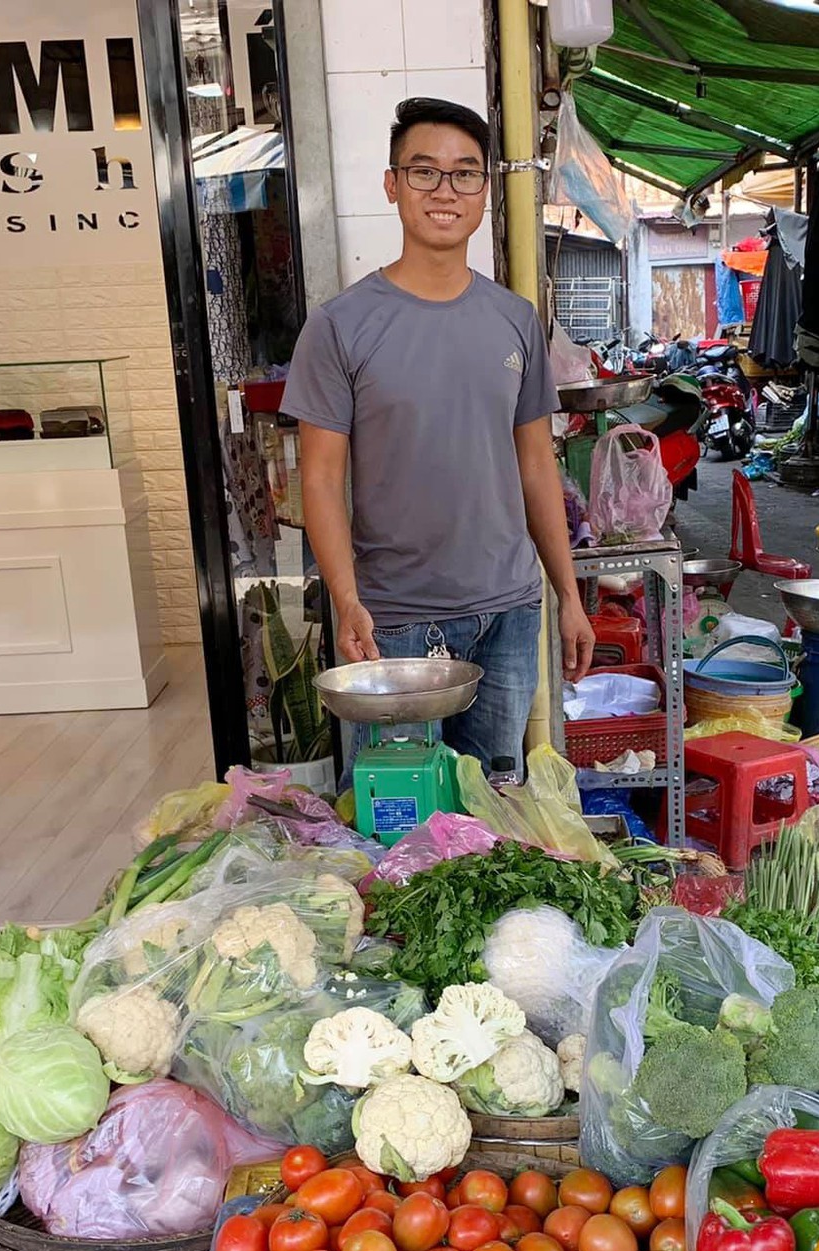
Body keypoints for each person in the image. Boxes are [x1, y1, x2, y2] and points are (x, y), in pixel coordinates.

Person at [281, 97, 593, 770]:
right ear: (392, 185)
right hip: (394, 619)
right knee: (399, 820)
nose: (444, 191)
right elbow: (320, 478)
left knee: (496, 801)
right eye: (423, 172)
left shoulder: (514, 319)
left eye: (463, 174)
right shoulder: (340, 326)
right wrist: (345, 599)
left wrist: (569, 595)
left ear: (485, 190)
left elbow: (537, 465)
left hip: (509, 612)